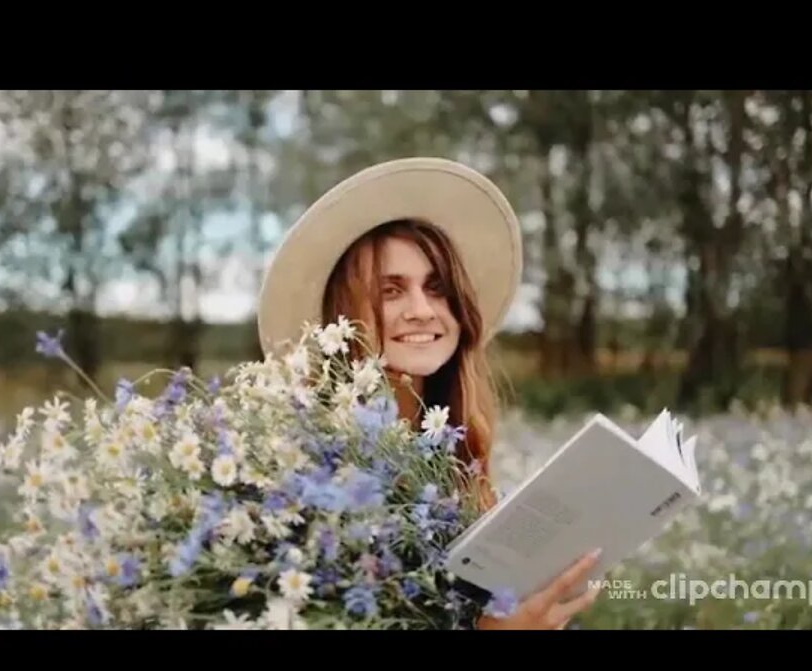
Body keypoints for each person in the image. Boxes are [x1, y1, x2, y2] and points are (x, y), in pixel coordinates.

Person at [256, 157, 602, 630]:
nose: (422, 310)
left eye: (437, 289)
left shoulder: (461, 460)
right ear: (343, 316)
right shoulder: (307, 471)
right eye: (391, 291)